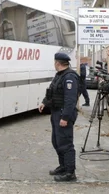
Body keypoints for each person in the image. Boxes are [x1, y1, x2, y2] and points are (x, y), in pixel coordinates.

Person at [38, 52, 80, 182]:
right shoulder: (59, 76)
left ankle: (70, 172)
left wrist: (65, 117)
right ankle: (63, 166)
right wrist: (44, 102)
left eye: (54, 62)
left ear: (57, 63)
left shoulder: (69, 77)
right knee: (57, 142)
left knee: (65, 143)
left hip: (63, 114)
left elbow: (70, 100)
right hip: (56, 112)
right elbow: (51, 91)